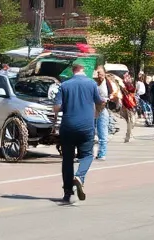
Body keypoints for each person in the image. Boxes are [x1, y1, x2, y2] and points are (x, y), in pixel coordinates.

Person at [53, 63, 103, 205]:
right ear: (84, 70)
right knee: (87, 155)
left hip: (68, 126)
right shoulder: (92, 84)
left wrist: (65, 105)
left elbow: (56, 107)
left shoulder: (64, 85)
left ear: (72, 70)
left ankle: (67, 192)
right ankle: (80, 177)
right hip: (86, 127)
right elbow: (99, 101)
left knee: (67, 159)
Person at [92, 68, 114, 159]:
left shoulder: (108, 82)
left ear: (104, 73)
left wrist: (110, 97)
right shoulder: (92, 82)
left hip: (103, 108)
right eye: (97, 73)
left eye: (100, 73)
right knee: (90, 132)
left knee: (103, 132)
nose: (99, 75)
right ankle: (89, 153)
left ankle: (102, 154)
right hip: (91, 108)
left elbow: (112, 93)